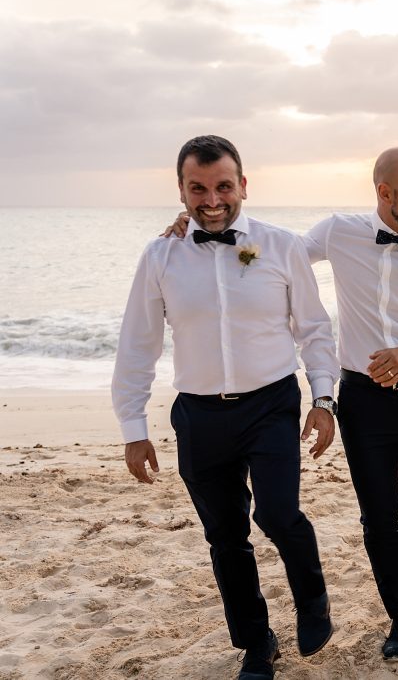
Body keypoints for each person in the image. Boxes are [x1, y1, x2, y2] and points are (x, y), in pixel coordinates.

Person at [169, 147, 398, 661]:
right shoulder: (339, 231)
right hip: (362, 401)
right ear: (386, 193)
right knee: (380, 519)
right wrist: (203, 219)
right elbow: (276, 250)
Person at [113, 135, 339, 680]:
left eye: (222, 186)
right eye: (198, 188)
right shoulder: (159, 255)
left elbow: (314, 329)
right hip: (198, 414)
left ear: (243, 186)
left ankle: (314, 604)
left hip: (271, 405)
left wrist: (324, 397)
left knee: (278, 514)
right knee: (225, 536)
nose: (212, 200)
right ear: (182, 191)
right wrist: (132, 425)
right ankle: (256, 643)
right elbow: (137, 343)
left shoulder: (281, 246)